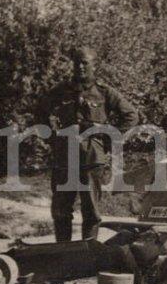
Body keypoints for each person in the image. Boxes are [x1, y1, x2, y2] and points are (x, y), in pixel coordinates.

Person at [36, 46, 139, 241]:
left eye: (85, 63)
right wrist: (52, 138)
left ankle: (87, 253)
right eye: (77, 63)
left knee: (91, 210)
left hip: (92, 158)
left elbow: (131, 116)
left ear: (94, 65)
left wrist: (109, 139)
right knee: (60, 210)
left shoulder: (104, 92)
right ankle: (63, 252)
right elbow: (39, 113)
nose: (80, 67)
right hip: (64, 159)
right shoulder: (59, 92)